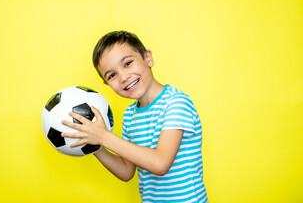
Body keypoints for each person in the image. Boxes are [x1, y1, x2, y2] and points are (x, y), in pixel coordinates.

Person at [61, 30, 208, 202]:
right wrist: (93, 143)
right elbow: (126, 172)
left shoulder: (176, 103)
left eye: (128, 63)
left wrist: (103, 136)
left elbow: (160, 164)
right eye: (112, 75)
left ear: (148, 58)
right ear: (107, 84)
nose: (123, 77)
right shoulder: (130, 115)